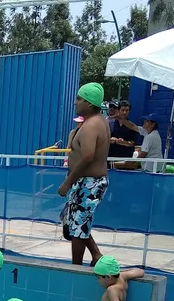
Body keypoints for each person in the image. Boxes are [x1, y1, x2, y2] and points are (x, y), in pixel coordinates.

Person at [58, 82, 111, 266]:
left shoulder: (91, 125)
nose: (75, 102)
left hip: (89, 183)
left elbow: (88, 156)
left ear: (89, 103)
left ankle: (76, 268)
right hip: (86, 182)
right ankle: (96, 255)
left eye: (79, 99)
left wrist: (67, 182)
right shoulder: (98, 121)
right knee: (77, 223)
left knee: (78, 229)